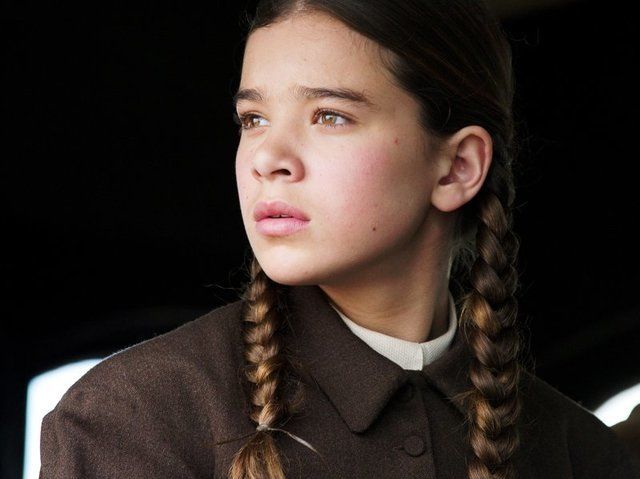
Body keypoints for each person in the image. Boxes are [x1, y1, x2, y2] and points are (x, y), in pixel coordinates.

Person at [39, 1, 640, 478]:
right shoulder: (135, 414)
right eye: (253, 119)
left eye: (330, 115)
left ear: (457, 168)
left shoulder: (580, 453)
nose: (267, 158)